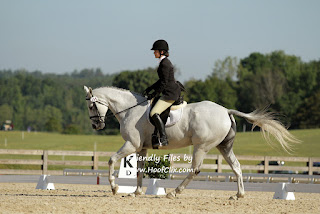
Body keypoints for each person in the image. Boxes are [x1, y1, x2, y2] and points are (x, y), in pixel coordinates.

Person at [143, 39, 183, 147]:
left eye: (155, 51)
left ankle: (163, 137)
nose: (154, 53)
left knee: (153, 113)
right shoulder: (163, 62)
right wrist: (150, 88)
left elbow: (164, 83)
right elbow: (161, 80)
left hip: (170, 94)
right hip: (168, 91)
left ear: (161, 51)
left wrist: (154, 94)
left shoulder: (165, 64)